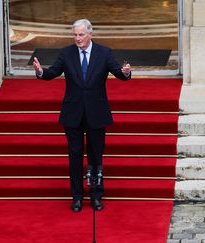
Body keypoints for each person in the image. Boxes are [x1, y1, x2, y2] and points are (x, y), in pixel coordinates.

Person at [33, 19, 131, 212]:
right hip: (73, 114)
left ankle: (96, 195)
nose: (77, 38)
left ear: (90, 34)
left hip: (97, 113)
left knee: (96, 157)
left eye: (81, 35)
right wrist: (40, 72)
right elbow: (52, 72)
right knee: (75, 157)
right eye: (75, 35)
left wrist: (126, 72)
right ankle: (77, 197)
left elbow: (119, 73)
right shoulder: (66, 53)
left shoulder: (104, 53)